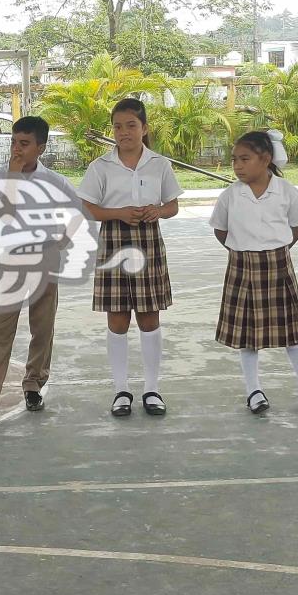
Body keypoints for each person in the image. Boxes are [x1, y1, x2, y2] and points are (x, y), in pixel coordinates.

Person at [0, 116, 81, 421]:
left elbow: (77, 215)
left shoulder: (55, 181)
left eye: (24, 144)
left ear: (40, 147)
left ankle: (33, 384)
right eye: (13, 142)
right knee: (0, 329)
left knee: (42, 328)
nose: (16, 149)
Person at [78, 97, 182, 418]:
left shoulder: (159, 164)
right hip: (113, 242)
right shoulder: (100, 167)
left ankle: (152, 389)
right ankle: (121, 390)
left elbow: (173, 206)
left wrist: (157, 210)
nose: (124, 132)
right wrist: (119, 213)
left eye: (131, 126)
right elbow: (88, 208)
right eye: (118, 127)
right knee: (118, 318)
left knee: (149, 318)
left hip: (149, 242)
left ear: (144, 128)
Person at [211, 130, 298, 415]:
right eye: (235, 159)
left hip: (278, 266)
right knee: (247, 336)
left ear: (266, 159)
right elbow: (220, 229)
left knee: (292, 333)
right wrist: (244, 250)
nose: (237, 165)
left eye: (245, 159)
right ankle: (253, 391)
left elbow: (296, 226)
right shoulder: (230, 195)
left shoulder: (286, 191)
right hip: (242, 268)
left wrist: (276, 248)